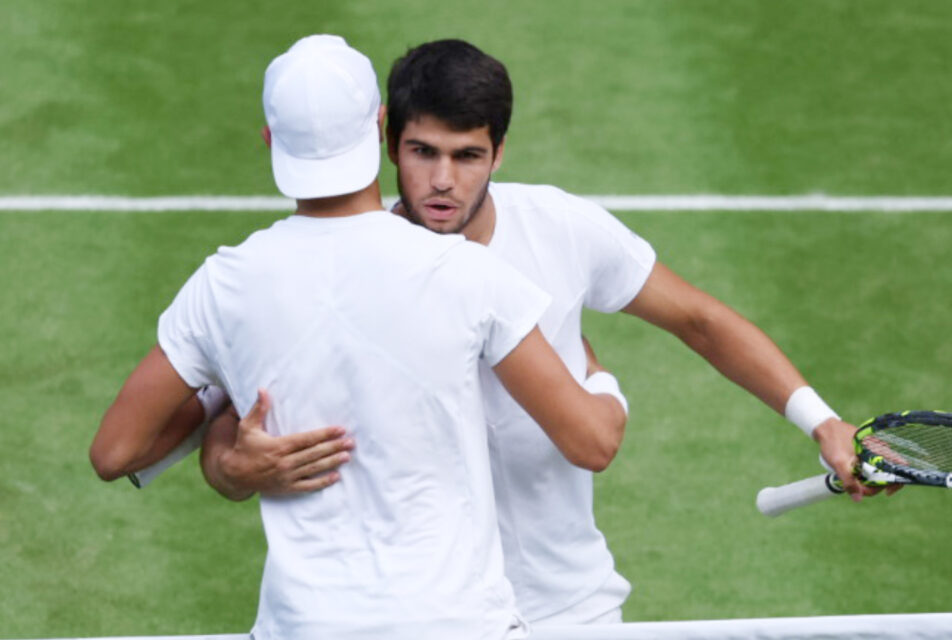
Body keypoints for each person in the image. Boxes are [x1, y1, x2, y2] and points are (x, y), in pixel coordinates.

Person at [149, 38, 896, 626]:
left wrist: (822, 421)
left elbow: (702, 321)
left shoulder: (560, 228)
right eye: (423, 153)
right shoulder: (337, 274)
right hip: (437, 618)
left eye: (467, 156)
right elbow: (212, 413)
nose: (443, 181)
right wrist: (229, 466)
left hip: (567, 608)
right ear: (387, 147)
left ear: (498, 153)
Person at [89, 34, 626, 640]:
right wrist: (599, 375)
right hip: (456, 625)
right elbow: (591, 439)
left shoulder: (225, 286)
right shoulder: (470, 275)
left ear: (269, 139)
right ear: (380, 129)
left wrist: (224, 436)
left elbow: (115, 453)